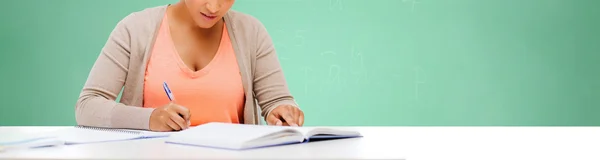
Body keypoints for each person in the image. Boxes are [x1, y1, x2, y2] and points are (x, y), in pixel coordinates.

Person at [75, 0, 304, 132]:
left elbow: (277, 101)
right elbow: (87, 107)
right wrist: (149, 118)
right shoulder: (135, 29)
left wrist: (282, 112)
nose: (214, 7)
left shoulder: (251, 33)